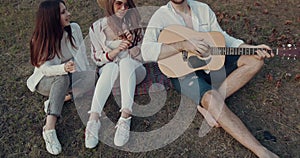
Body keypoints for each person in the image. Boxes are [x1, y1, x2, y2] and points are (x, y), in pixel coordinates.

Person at [141, 0, 279, 157]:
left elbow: (223, 38)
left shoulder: (202, 9)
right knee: (211, 99)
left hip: (211, 61)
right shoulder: (160, 16)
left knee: (255, 61)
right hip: (182, 71)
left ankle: (208, 107)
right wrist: (182, 45)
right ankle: (261, 151)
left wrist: (251, 48)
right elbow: (146, 51)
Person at [27, 0, 95, 155]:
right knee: (62, 78)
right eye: (63, 12)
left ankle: (57, 100)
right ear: (52, 18)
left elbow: (81, 55)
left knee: (92, 77)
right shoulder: (40, 39)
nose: (68, 14)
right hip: (45, 81)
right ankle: (49, 128)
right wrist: (63, 68)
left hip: (70, 73)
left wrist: (86, 75)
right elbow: (45, 69)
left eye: (66, 10)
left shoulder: (74, 28)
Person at [85, 0, 146, 148]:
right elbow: (97, 58)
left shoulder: (134, 22)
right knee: (110, 67)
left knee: (125, 63)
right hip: (111, 76)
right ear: (110, 4)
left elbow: (144, 52)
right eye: (119, 3)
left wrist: (132, 48)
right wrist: (116, 50)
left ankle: (125, 117)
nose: (123, 8)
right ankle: (93, 120)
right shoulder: (97, 27)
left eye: (126, 4)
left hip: (134, 71)